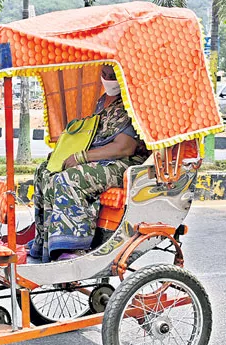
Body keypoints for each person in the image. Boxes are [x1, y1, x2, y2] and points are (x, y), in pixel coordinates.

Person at [29, 65, 149, 263]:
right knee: (45, 171)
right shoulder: (103, 101)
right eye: (105, 75)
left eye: (113, 76)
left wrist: (82, 157)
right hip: (102, 159)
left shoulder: (132, 103)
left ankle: (72, 246)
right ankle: (46, 240)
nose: (108, 79)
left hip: (125, 164)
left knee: (70, 178)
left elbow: (124, 148)